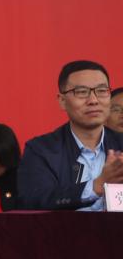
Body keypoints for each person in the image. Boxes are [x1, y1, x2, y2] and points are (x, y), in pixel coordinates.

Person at [18, 60, 123, 210]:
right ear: (62, 101)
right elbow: (34, 199)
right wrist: (95, 187)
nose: (93, 100)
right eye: (81, 92)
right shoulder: (41, 150)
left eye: (101, 91)